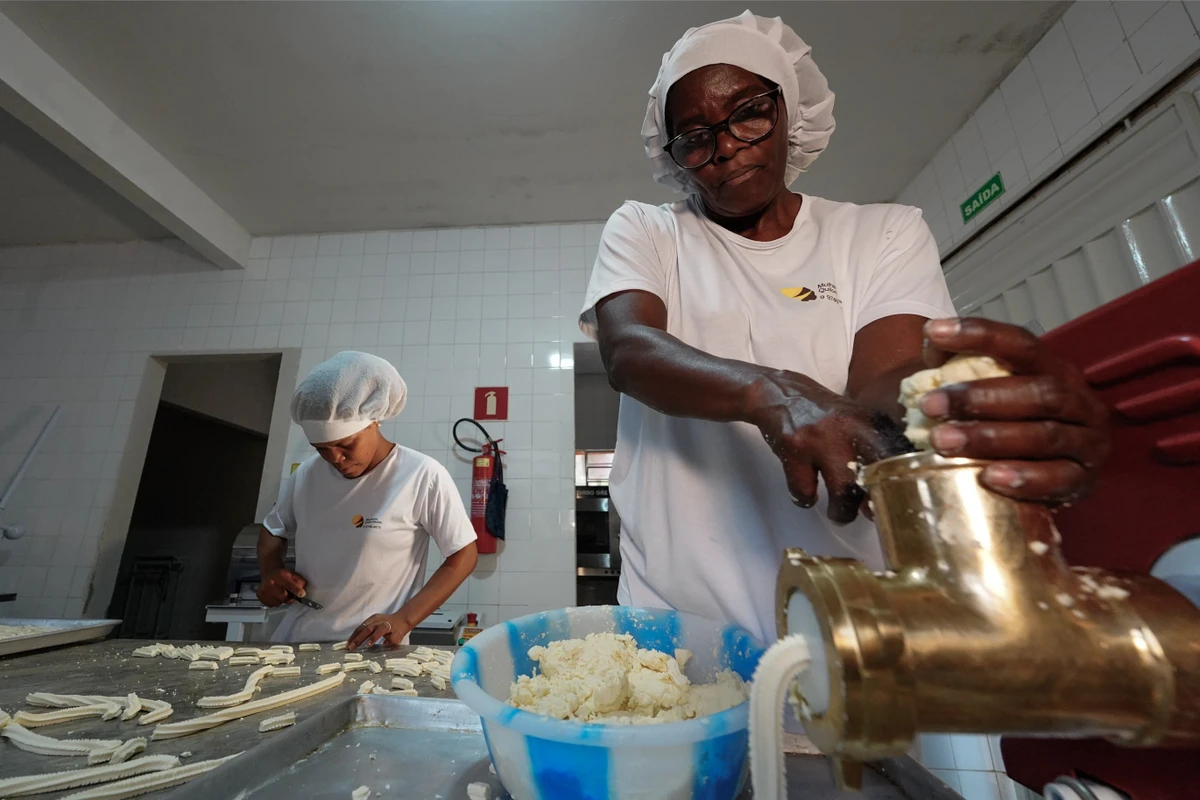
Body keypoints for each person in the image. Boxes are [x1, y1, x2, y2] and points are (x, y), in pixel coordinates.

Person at [580, 11, 1110, 644]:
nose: (723, 148)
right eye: (694, 137)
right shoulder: (649, 230)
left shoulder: (881, 233)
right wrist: (774, 394)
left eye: (748, 113)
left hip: (848, 614)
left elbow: (886, 385)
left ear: (788, 110)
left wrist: (954, 402)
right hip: (676, 619)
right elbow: (630, 350)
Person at [257, 351, 478, 648]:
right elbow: (273, 531)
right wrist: (271, 573)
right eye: (321, 448)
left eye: (345, 444)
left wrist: (405, 619)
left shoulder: (421, 475)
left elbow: (464, 554)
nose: (335, 458)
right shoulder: (307, 475)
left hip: (369, 648)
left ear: (374, 421)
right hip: (297, 642)